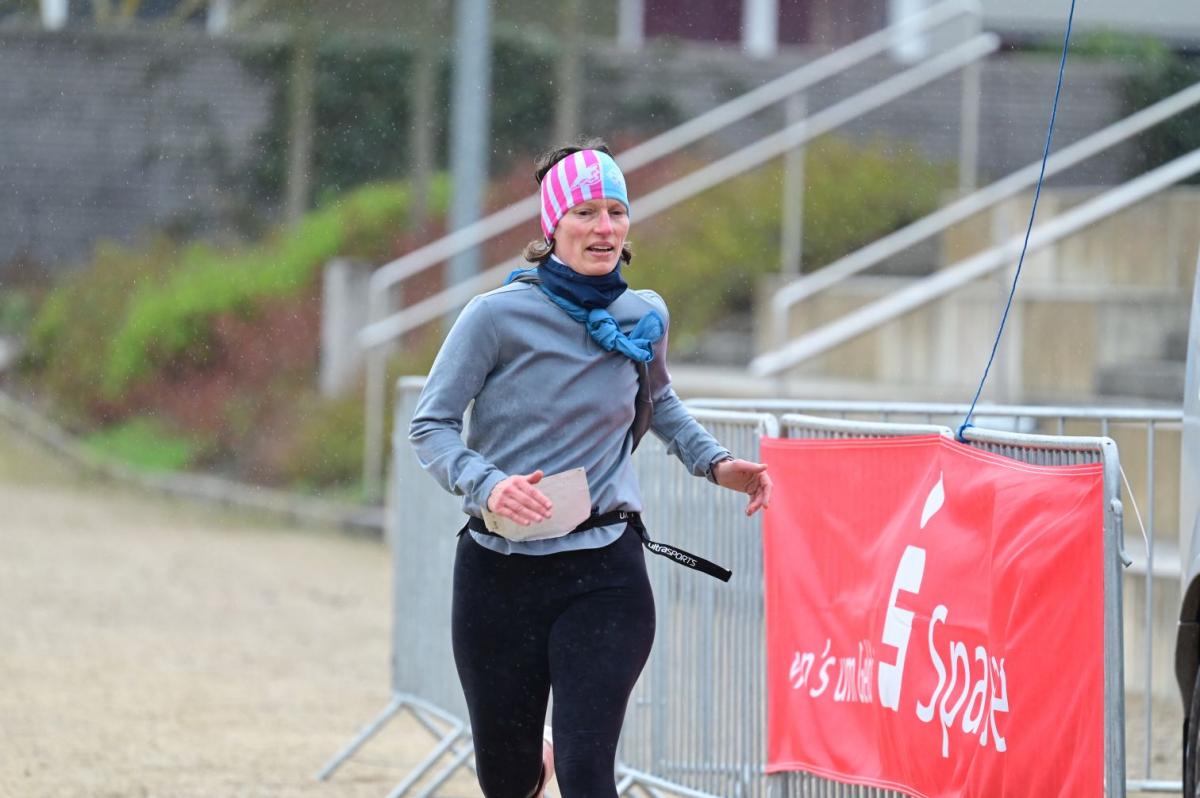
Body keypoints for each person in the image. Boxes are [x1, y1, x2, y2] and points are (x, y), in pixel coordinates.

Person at [409, 139, 772, 798]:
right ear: (552, 226)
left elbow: (657, 400)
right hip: (498, 574)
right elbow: (430, 425)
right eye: (585, 213)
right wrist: (489, 485)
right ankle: (531, 765)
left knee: (586, 773)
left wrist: (714, 462)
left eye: (616, 211)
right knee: (507, 779)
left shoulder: (643, 316)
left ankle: (567, 763)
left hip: (604, 571)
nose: (604, 227)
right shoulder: (495, 317)